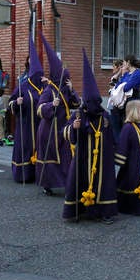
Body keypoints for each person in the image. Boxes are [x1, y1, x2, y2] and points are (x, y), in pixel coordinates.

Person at [63, 48, 116, 222]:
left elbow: (112, 137)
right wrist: (74, 128)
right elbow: (65, 132)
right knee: (81, 179)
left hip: (102, 158)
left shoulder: (104, 115)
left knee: (103, 183)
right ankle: (78, 210)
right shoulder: (78, 114)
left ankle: (104, 211)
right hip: (83, 156)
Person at [36, 33, 80, 195]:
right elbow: (39, 109)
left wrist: (72, 89)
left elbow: (76, 104)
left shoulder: (65, 90)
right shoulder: (49, 90)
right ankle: (48, 184)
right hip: (50, 131)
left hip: (64, 129)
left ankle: (68, 182)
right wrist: (50, 105)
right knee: (51, 158)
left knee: (66, 156)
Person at [9, 38, 43, 183]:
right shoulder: (22, 86)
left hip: (40, 125)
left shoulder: (45, 87)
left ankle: (39, 174)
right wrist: (17, 102)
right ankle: (23, 174)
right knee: (26, 147)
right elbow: (10, 103)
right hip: (26, 125)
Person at [109, 56, 140, 141]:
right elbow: (117, 85)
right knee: (115, 116)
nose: (123, 64)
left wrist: (122, 85)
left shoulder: (137, 73)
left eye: (124, 62)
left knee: (131, 124)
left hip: (133, 102)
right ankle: (119, 143)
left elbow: (126, 87)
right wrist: (122, 80)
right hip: (124, 102)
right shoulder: (127, 74)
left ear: (128, 62)